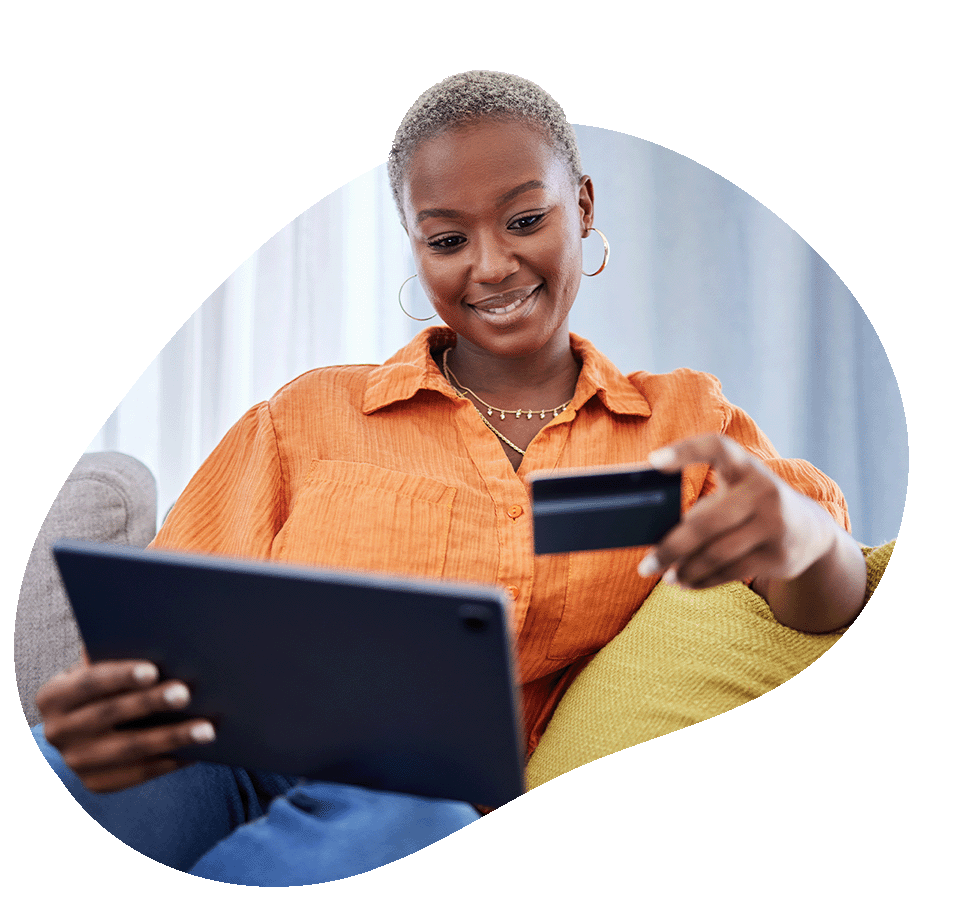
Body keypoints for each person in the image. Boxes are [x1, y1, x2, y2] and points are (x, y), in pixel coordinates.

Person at [31, 70, 867, 886]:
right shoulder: (307, 417)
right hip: (235, 764)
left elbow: (827, 601)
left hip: (423, 810)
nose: (491, 266)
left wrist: (802, 540)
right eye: (446, 240)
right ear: (415, 245)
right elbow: (170, 622)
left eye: (525, 219)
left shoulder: (683, 424)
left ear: (580, 205)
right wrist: (108, 706)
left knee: (413, 816)